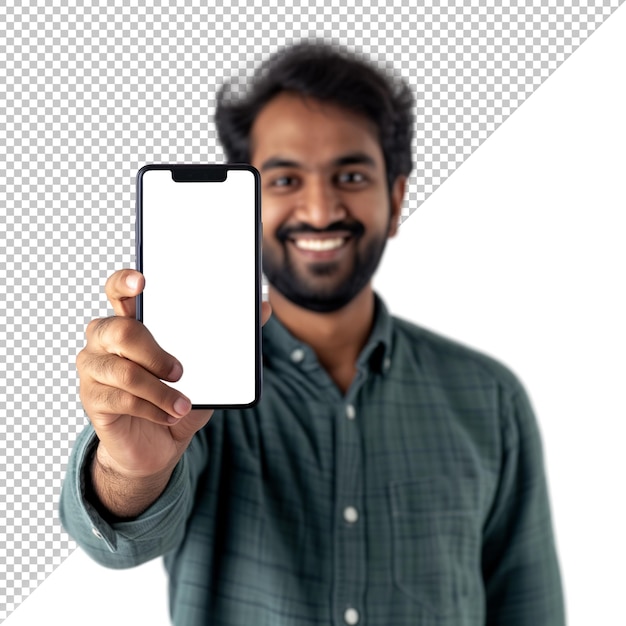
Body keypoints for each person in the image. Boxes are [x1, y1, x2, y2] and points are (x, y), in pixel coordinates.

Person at [60, 42, 565, 625]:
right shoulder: (190, 385)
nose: (321, 208)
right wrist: (130, 470)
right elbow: (118, 539)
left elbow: (530, 612)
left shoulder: (490, 398)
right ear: (249, 205)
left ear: (395, 200)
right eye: (284, 179)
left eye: (350, 175)